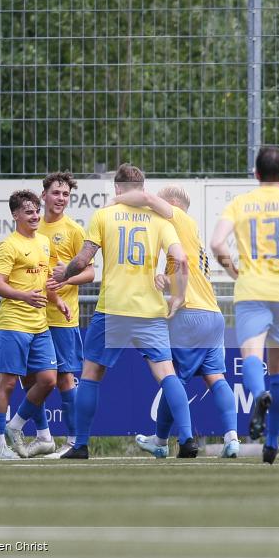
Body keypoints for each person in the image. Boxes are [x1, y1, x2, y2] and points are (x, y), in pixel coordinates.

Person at [52, 164, 193, 460]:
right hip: (150, 309)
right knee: (167, 374)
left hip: (113, 308)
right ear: (142, 188)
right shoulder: (160, 219)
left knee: (91, 374)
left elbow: (83, 259)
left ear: (117, 189)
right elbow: (180, 259)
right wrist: (178, 294)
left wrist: (63, 274)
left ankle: (80, 444)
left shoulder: (103, 215)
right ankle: (188, 440)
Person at [112, 185, 240, 458]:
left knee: (172, 379)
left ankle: (162, 441)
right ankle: (232, 439)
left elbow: (146, 197)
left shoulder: (179, 219)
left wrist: (116, 200)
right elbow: (188, 276)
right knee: (216, 377)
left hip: (189, 315)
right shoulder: (190, 236)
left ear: (171, 203)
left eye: (160, 203)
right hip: (213, 316)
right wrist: (166, 281)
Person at [210, 146, 279, 465]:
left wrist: (230, 268)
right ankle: (271, 442)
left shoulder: (240, 203)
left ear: (256, 174)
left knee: (252, 355)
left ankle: (258, 397)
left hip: (251, 289)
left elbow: (216, 243)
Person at [18, 172, 94, 459]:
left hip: (62, 317)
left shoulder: (74, 230)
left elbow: (90, 272)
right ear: (44, 196)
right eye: (56, 193)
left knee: (63, 379)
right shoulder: (33, 230)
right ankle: (43, 436)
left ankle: (74, 441)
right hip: (32, 315)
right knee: (29, 379)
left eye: (65, 194)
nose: (61, 198)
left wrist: (67, 279)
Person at [0, 190, 70, 459]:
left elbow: (47, 279)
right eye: (28, 211)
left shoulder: (45, 243)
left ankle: (16, 426)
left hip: (40, 324)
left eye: (36, 210)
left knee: (48, 380)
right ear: (15, 215)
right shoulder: (8, 245)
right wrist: (24, 296)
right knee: (8, 385)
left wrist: (57, 300)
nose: (35, 216)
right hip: (13, 323)